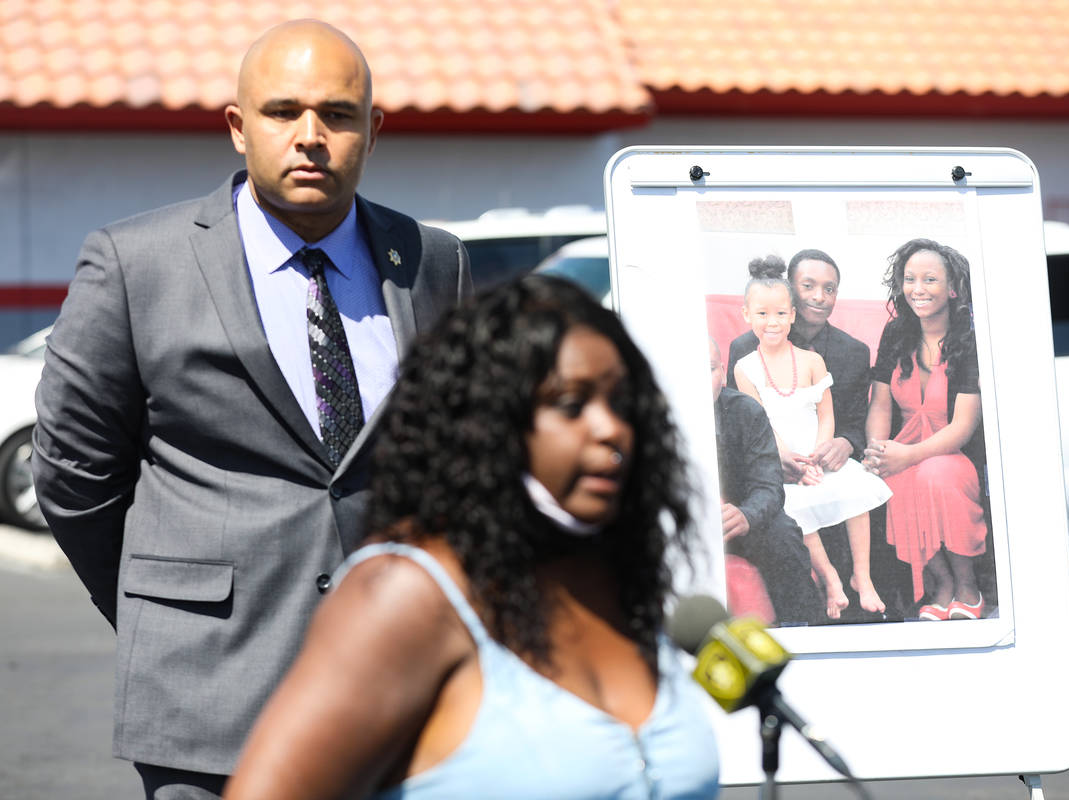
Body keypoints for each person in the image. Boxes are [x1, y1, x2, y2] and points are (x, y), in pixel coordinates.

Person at [31, 20, 472, 798]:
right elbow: (73, 475)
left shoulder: (431, 260)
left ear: (373, 130)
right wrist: (161, 613)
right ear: (239, 128)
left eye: (337, 115)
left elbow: (461, 460)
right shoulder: (137, 263)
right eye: (282, 112)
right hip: (208, 702)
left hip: (398, 700)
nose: (310, 137)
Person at [224, 276, 720, 800]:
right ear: (489, 424)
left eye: (623, 403)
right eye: (571, 404)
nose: (611, 429)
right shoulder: (405, 595)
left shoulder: (623, 584)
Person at [733, 256, 892, 620]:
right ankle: (826, 582)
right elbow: (745, 417)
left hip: (823, 452)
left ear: (788, 312)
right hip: (773, 457)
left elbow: (846, 416)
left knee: (858, 488)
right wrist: (780, 458)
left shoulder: (852, 351)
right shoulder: (744, 353)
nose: (819, 296)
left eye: (829, 288)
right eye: (808, 286)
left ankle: (862, 580)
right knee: (787, 505)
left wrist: (843, 443)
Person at [863, 238, 988, 621]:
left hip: (954, 452)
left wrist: (907, 456)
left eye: (930, 280)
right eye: (910, 279)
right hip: (904, 447)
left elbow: (965, 425)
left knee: (934, 474)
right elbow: (881, 403)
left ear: (952, 288)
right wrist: (877, 450)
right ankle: (942, 584)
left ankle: (968, 588)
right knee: (896, 481)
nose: (918, 289)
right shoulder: (897, 332)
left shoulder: (970, 337)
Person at [709, 338, 820, 624]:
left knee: (783, 534)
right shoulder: (655, 413)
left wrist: (746, 516)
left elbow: (769, 487)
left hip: (742, 520)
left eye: (708, 369)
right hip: (684, 523)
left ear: (722, 373)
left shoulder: (746, 411)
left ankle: (803, 630)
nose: (699, 380)